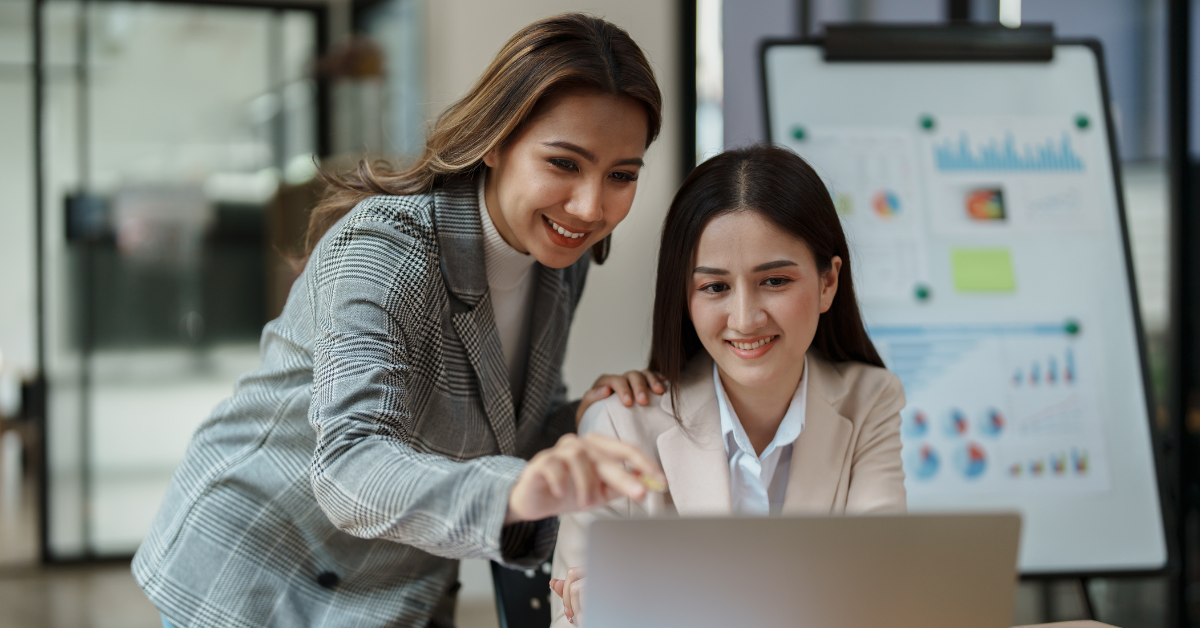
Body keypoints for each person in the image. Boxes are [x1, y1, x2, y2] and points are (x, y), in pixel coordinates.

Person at [133, 14, 670, 627]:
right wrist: (516, 490)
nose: (591, 207)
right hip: (261, 573)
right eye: (565, 164)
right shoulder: (387, 251)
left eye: (621, 175)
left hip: (398, 581)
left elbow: (494, 427)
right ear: (496, 139)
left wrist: (574, 420)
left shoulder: (560, 257)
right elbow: (351, 464)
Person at [548, 145, 907, 626]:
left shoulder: (870, 401)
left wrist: (651, 600)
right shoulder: (617, 425)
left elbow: (883, 597)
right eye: (715, 287)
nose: (744, 318)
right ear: (684, 296)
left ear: (827, 283)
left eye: (775, 281)